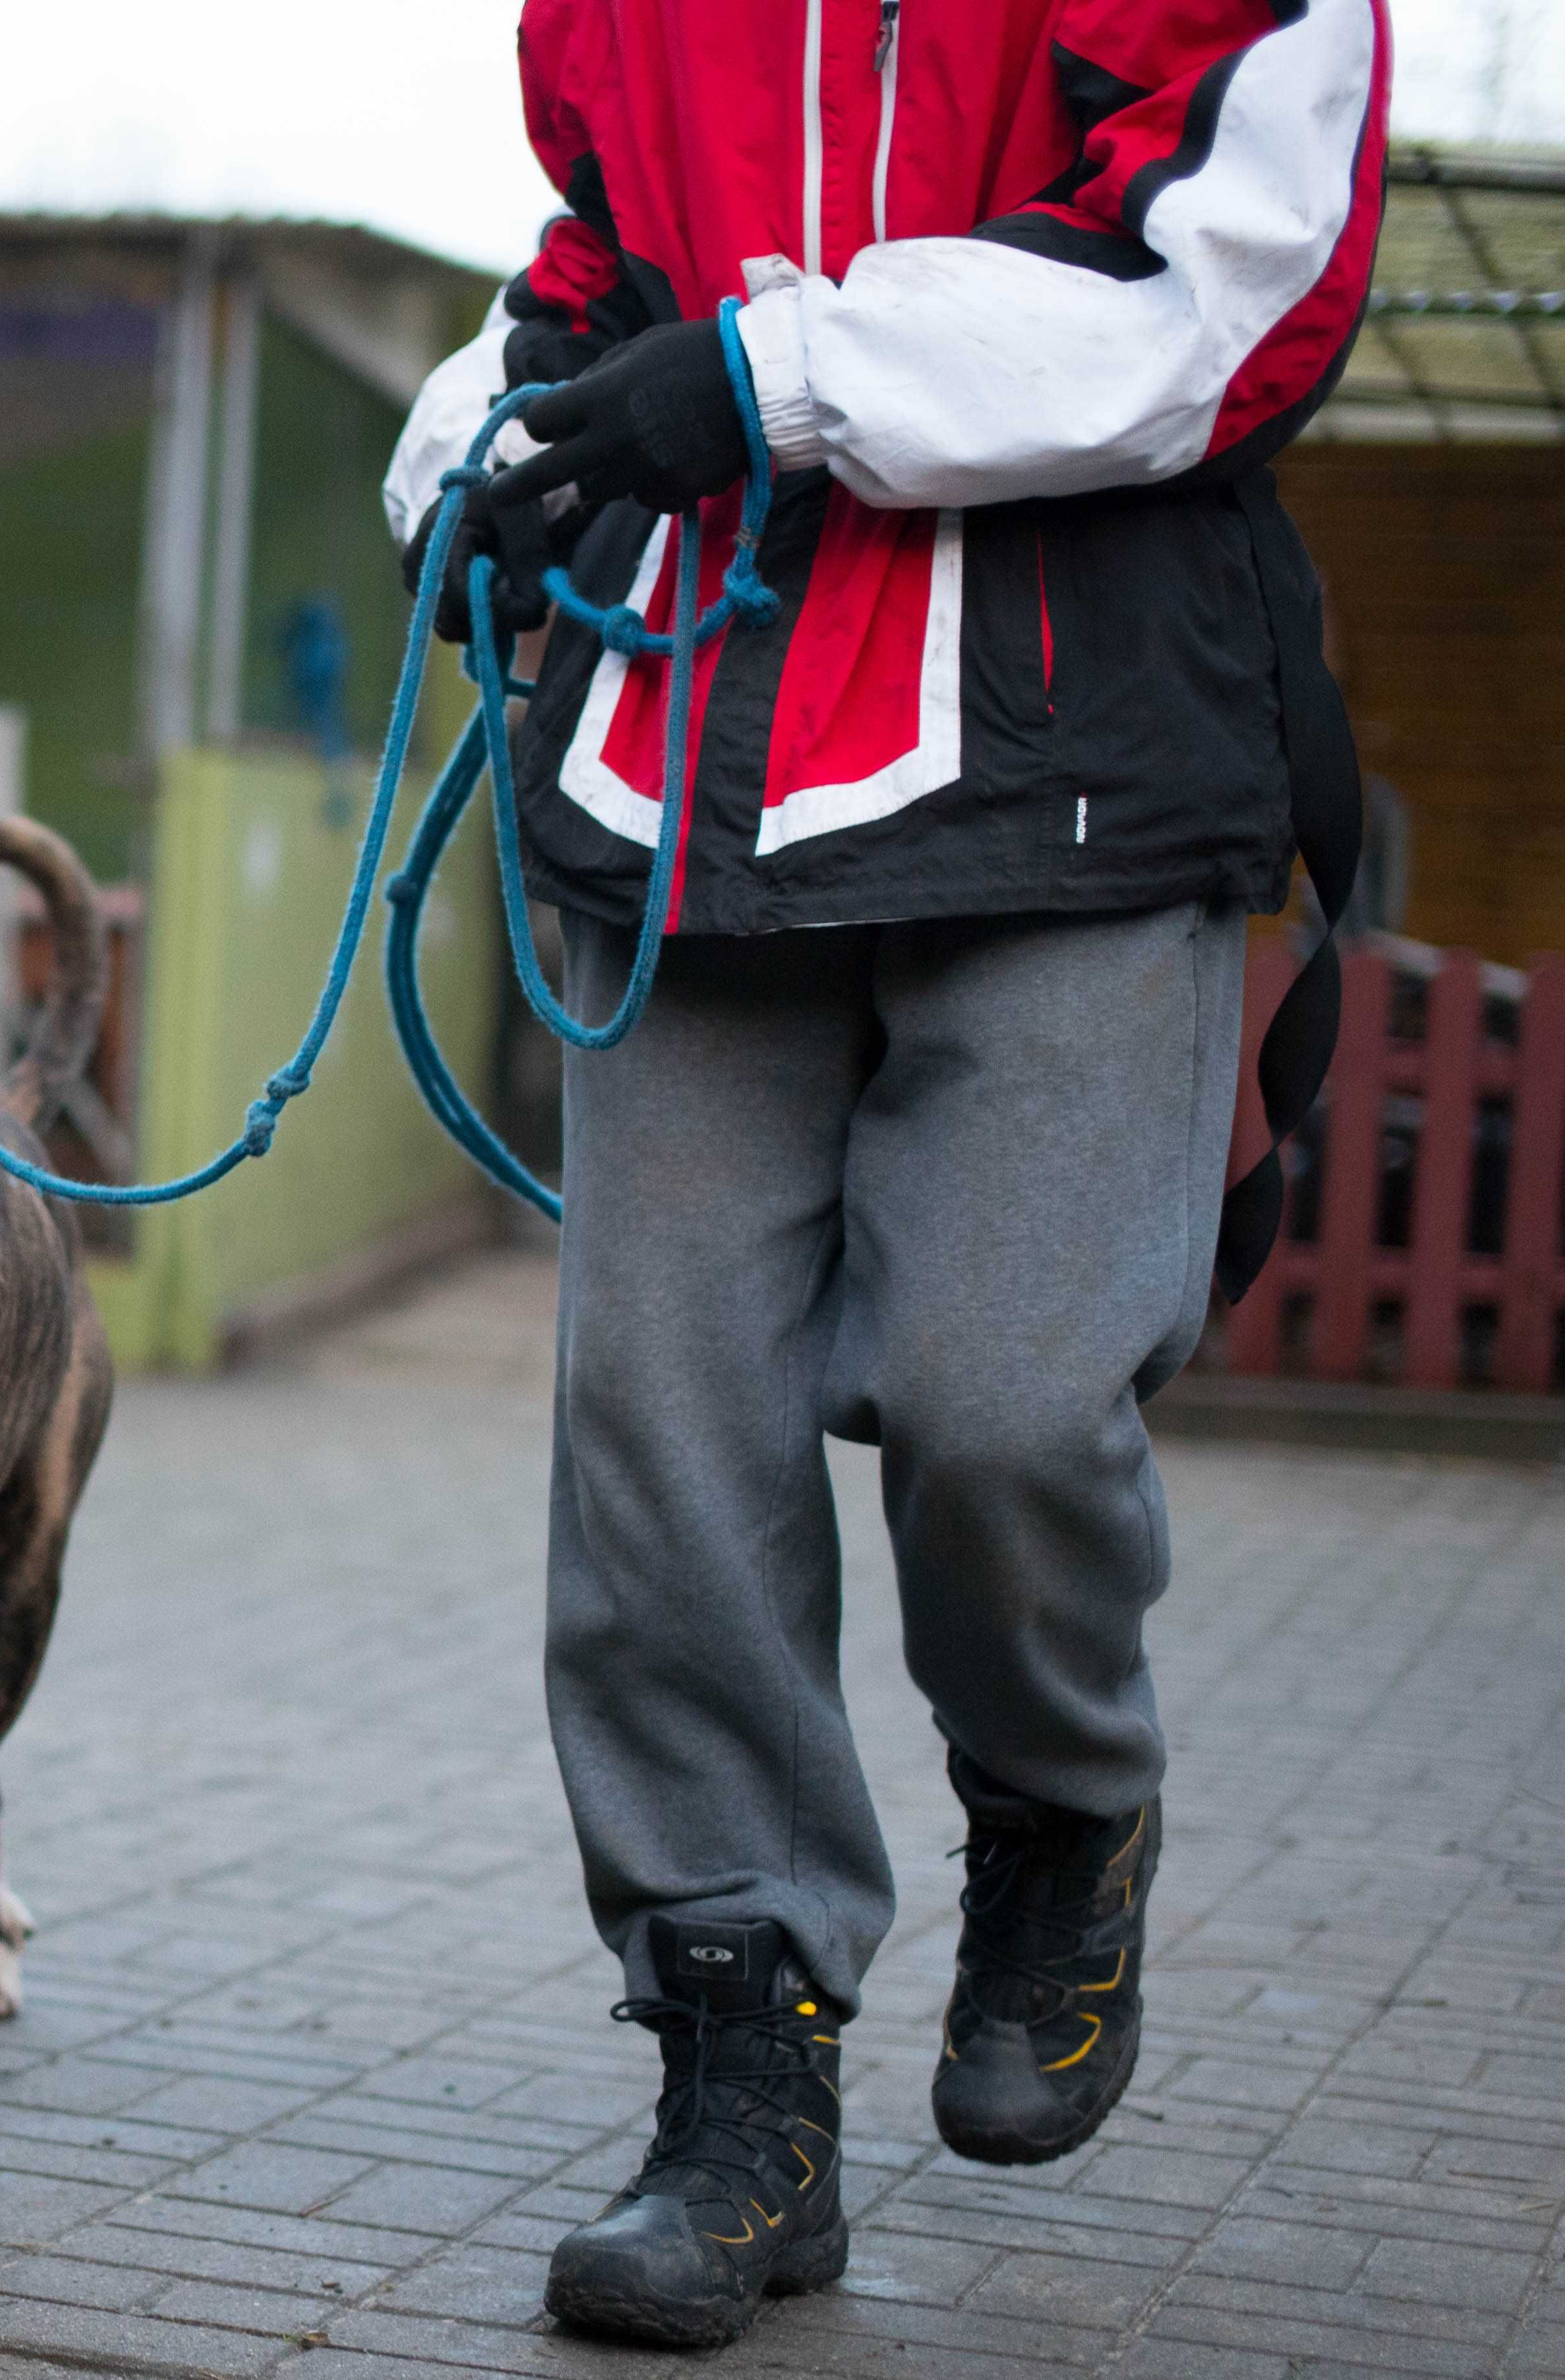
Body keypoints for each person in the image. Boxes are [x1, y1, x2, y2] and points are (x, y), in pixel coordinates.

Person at [380, 0, 1388, 2349]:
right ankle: (742, 2087)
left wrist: (770, 380)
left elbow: (1239, 271)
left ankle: (1058, 1797)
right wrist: (488, 444)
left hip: (1069, 748)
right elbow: (597, 264)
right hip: (684, 763)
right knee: (658, 1441)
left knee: (1002, 1394)